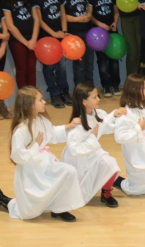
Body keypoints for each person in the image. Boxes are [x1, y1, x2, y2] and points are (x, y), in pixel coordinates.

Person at [0, 87, 84, 222]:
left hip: (46, 162)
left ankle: (59, 208)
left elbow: (52, 133)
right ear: (30, 105)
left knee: (68, 171)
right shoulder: (21, 130)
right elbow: (17, 156)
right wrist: (36, 146)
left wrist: (68, 126)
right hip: (31, 169)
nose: (44, 102)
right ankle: (6, 201)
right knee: (29, 213)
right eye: (40, 100)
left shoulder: (41, 120)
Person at [62, 83, 126, 208]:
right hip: (79, 159)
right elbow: (75, 150)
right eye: (95, 97)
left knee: (111, 164)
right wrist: (92, 138)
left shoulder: (98, 113)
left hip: (93, 151)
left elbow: (106, 126)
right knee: (80, 195)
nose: (99, 99)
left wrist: (114, 115)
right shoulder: (78, 124)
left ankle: (106, 192)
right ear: (84, 102)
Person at [31, 0, 70, 108]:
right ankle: (54, 93)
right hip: (46, 39)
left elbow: (63, 13)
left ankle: (64, 91)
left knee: (62, 66)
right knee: (49, 68)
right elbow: (39, 20)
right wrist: (53, 34)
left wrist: (64, 31)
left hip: (60, 35)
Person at [0, 0, 39, 95]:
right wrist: (25, 42)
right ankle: (24, 100)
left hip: (32, 39)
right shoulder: (5, 1)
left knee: (32, 69)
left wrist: (33, 39)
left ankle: (33, 97)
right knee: (22, 70)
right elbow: (10, 26)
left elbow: (36, 19)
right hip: (17, 41)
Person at [87, 0, 121, 98]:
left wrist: (115, 22)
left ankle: (116, 84)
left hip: (112, 31)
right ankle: (106, 86)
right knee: (102, 62)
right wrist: (100, 24)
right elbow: (89, 14)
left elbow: (116, 11)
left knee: (114, 59)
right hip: (97, 34)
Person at [60, 0, 94, 90]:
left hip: (88, 31)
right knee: (79, 64)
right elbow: (63, 15)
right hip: (74, 34)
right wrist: (77, 19)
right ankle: (80, 90)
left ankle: (90, 88)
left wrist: (88, 15)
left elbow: (88, 9)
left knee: (89, 63)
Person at [112, 0, 141, 76]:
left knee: (140, 49)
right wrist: (116, 17)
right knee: (132, 50)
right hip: (126, 18)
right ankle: (131, 79)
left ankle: (139, 79)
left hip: (140, 16)